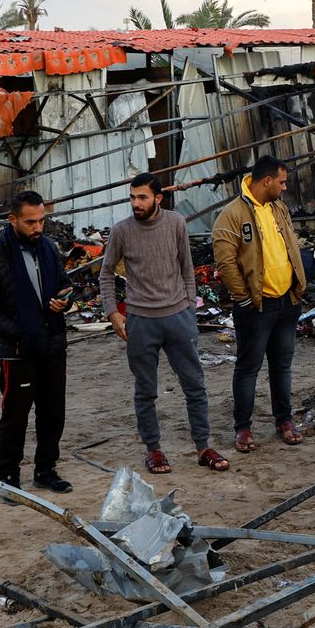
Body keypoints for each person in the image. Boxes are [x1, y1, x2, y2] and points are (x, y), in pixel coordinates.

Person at [101, 172, 229, 475]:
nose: (135, 203)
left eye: (142, 197)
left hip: (178, 319)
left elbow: (187, 268)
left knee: (195, 386)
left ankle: (202, 446)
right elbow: (106, 273)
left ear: (158, 198)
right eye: (132, 197)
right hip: (141, 322)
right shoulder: (122, 231)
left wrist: (188, 308)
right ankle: (154, 450)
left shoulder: (175, 223)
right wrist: (112, 312)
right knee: (145, 391)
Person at [0, 190, 75, 494]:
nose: (38, 228)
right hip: (17, 351)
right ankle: (9, 475)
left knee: (53, 412)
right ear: (12, 220)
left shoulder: (49, 248)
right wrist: (17, 331)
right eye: (30, 222)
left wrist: (64, 302)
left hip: (53, 346)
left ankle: (46, 470)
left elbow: (65, 287)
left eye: (42, 221)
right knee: (15, 416)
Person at [212, 155, 308, 453]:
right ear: (266, 181)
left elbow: (289, 246)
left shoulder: (279, 208)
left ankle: (284, 421)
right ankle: (242, 428)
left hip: (286, 302)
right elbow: (225, 261)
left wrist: (296, 288)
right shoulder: (232, 214)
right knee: (248, 367)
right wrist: (243, 298)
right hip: (255, 307)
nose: (284, 186)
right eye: (281, 181)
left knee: (282, 365)